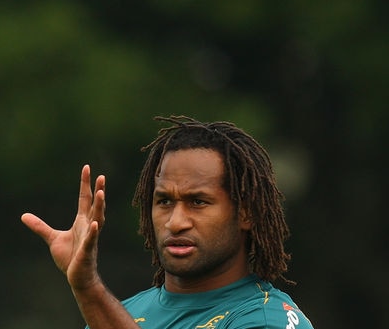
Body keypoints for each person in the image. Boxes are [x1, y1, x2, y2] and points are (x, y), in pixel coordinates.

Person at [21, 115, 315, 329]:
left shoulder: (268, 320)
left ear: (245, 213)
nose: (175, 222)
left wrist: (88, 288)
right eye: (164, 202)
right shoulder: (121, 313)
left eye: (198, 202)